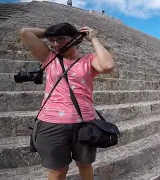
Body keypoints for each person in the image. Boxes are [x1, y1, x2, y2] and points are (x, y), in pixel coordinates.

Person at [20, 23, 114, 180]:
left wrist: (93, 39)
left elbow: (108, 66)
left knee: (85, 166)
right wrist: (51, 33)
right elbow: (25, 32)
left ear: (76, 39)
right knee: (57, 171)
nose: (56, 44)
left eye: (61, 39)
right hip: (51, 122)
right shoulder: (49, 57)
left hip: (84, 123)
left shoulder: (88, 60)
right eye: (52, 40)